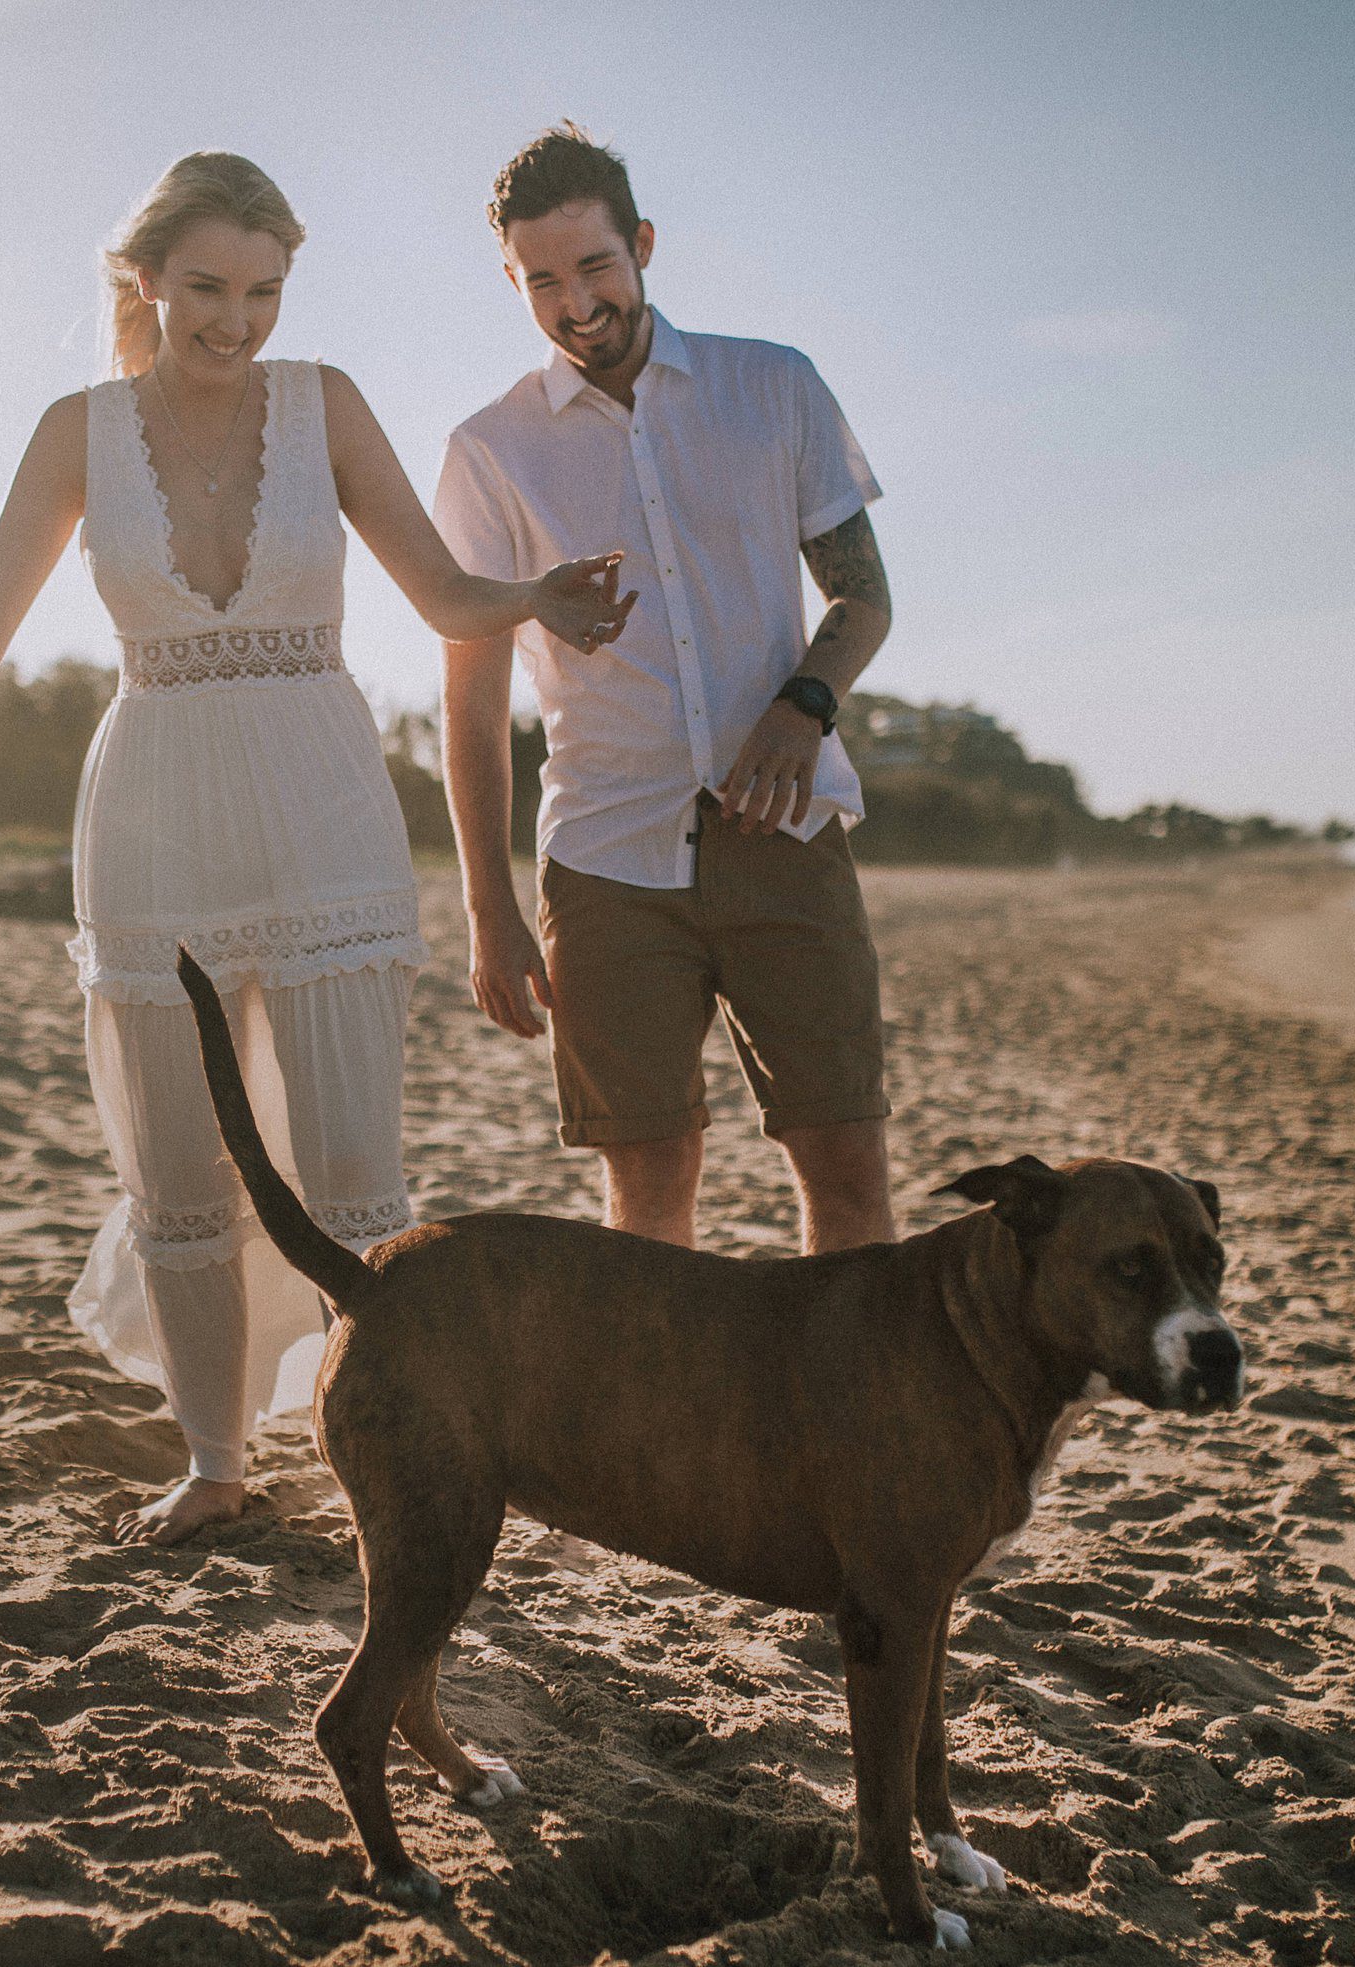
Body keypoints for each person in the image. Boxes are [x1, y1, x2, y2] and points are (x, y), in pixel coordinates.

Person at [0, 152, 632, 1544]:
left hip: (321, 805)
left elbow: (444, 594)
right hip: (150, 815)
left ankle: (380, 1452)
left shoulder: (322, 404)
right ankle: (213, 1458)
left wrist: (535, 596)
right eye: (206, 287)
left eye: (263, 290)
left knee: (353, 1178)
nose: (234, 318)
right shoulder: (75, 431)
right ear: (145, 277)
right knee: (182, 1176)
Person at [434, 124, 898, 1256]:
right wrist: (490, 911)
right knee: (644, 1200)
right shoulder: (488, 451)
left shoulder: (772, 386)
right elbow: (474, 700)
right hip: (604, 864)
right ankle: (659, 1436)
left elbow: (864, 597)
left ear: (641, 244)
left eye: (593, 266)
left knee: (844, 1166)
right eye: (540, 279)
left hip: (783, 835)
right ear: (513, 280)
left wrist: (802, 709)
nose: (574, 303)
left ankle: (851, 1433)